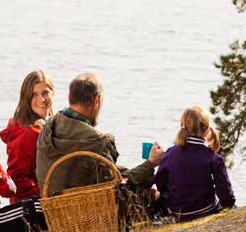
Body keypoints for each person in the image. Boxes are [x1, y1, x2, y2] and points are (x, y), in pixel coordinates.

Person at [35, 72, 165, 228]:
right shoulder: (97, 141)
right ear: (96, 100)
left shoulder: (47, 129)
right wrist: (150, 164)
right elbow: (116, 189)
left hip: (57, 218)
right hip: (89, 217)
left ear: (70, 97)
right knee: (151, 189)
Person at [155, 107, 235, 222]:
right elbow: (225, 193)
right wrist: (229, 206)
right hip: (205, 211)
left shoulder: (170, 152)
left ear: (182, 126)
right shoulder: (213, 157)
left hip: (177, 212)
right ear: (207, 130)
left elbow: (160, 183)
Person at [0, 70, 54, 204]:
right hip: (30, 209)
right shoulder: (25, 132)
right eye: (34, 95)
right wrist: (47, 194)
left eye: (45, 93)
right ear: (25, 98)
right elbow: (17, 177)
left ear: (53, 93)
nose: (41, 99)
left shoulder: (48, 124)